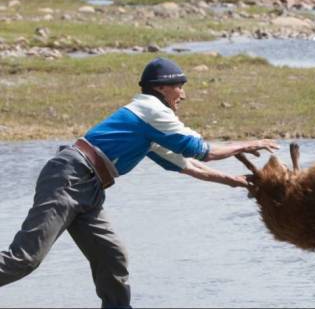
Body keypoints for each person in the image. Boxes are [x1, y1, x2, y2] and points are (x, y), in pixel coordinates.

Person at [0, 57, 279, 307]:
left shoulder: (148, 124)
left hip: (89, 186)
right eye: (179, 86)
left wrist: (233, 181)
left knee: (112, 257)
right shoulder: (152, 112)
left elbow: (184, 164)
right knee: (25, 259)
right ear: (162, 88)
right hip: (69, 178)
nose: (183, 94)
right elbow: (200, 150)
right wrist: (248, 144)